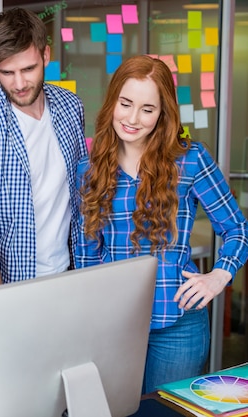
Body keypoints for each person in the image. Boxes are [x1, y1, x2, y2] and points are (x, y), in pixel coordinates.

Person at [75, 55, 248, 393]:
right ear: (113, 101)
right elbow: (87, 257)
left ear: (163, 113)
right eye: (125, 104)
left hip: (178, 327)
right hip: (113, 325)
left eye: (147, 109)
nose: (133, 119)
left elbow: (238, 229)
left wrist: (218, 276)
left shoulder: (191, 160)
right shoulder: (89, 169)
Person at [0, 7, 87, 284]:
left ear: (46, 55)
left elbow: (82, 195)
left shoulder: (71, 107)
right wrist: (1, 299)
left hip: (73, 272)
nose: (20, 83)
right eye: (7, 72)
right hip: (16, 282)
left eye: (28, 68)